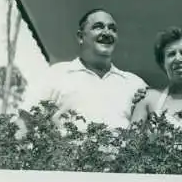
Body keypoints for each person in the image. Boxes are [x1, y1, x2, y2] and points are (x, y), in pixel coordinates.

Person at [15, 8, 148, 136]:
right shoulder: (57, 74)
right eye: (98, 27)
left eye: (112, 29)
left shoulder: (134, 84)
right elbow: (25, 123)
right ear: (80, 37)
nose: (107, 33)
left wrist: (147, 100)